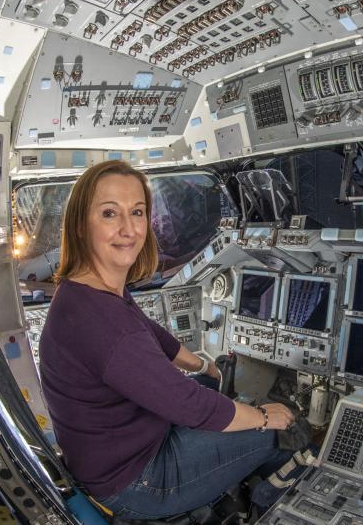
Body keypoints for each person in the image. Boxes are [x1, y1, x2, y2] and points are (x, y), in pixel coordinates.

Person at [39, 160, 295, 520]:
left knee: (213, 385)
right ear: (81, 225)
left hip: (111, 459)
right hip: (137, 482)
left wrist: (204, 366)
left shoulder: (87, 290)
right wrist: (265, 417)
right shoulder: (106, 326)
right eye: (110, 213)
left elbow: (152, 333)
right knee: (284, 432)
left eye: (138, 212)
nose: (129, 229)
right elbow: (191, 406)